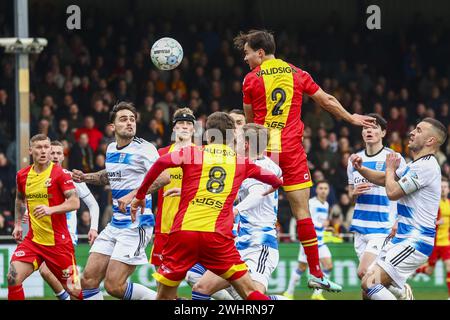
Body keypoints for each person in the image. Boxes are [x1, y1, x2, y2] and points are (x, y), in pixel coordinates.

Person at [234, 29, 374, 291]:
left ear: (260, 53)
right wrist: (351, 118)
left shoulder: (251, 79)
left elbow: (251, 122)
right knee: (302, 214)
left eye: (248, 53)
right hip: (292, 152)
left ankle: (234, 265)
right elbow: (326, 100)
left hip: (264, 153)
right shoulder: (297, 73)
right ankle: (317, 273)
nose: (246, 59)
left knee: (247, 206)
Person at [130, 112, 283, 300]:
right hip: (218, 238)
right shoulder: (240, 162)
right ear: (232, 136)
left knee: (165, 296)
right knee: (249, 293)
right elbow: (275, 180)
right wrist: (274, 185)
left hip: (184, 233)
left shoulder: (193, 153)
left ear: (207, 135)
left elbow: (161, 162)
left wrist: (139, 196)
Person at [72, 102, 169, 300]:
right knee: (88, 280)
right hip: (115, 223)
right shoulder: (110, 148)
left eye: (132, 119)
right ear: (112, 127)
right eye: (123, 119)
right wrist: (85, 177)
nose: (129, 123)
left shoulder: (145, 148)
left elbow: (164, 177)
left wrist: (134, 194)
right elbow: (109, 175)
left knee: (113, 286)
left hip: (137, 224)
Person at [186, 123, 287, 300]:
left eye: (238, 139)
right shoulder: (257, 165)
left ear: (247, 144)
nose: (234, 143)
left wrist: (235, 210)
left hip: (259, 244)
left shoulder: (257, 167)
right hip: (239, 244)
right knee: (201, 287)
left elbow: (257, 193)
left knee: (253, 299)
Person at [351, 118, 446, 300]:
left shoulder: (426, 167)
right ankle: (401, 293)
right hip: (401, 239)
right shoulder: (416, 165)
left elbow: (392, 191)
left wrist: (389, 168)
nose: (412, 132)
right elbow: (384, 179)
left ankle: (402, 295)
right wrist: (361, 169)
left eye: (418, 130)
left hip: (414, 241)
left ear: (430, 141)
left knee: (369, 282)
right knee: (368, 292)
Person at [7, 134, 81, 300]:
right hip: (33, 241)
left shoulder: (60, 174)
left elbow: (75, 202)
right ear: (31, 150)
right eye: (39, 147)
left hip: (59, 244)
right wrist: (18, 224)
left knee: (75, 291)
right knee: (13, 277)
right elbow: (20, 199)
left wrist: (51, 209)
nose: (43, 151)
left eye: (46, 147)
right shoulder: (22, 175)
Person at [347, 114, 406, 299]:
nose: (368, 131)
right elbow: (351, 196)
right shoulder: (354, 160)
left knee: (363, 272)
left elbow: (405, 192)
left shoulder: (394, 158)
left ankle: (401, 291)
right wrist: (353, 194)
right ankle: (399, 291)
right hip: (360, 226)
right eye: (365, 128)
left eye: (373, 127)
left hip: (382, 227)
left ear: (383, 132)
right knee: (368, 285)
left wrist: (399, 220)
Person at [33, 140, 100, 300]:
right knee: (44, 271)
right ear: (47, 154)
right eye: (53, 152)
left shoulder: (71, 177)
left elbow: (93, 205)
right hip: (45, 236)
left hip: (66, 237)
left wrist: (94, 228)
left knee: (69, 282)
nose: (55, 156)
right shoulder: (36, 177)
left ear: (63, 157)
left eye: (58, 153)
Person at [151, 107, 196, 267]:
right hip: (165, 225)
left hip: (192, 224)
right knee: (161, 277)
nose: (184, 126)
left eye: (188, 123)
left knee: (197, 279)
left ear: (193, 128)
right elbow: (150, 183)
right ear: (174, 128)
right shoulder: (161, 153)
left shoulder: (201, 154)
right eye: (181, 123)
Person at [284, 180, 334, 300]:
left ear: (328, 191)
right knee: (301, 267)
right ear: (316, 190)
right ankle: (289, 293)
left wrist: (326, 228)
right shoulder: (311, 203)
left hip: (321, 242)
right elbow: (306, 219)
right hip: (309, 241)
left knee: (328, 266)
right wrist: (322, 225)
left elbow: (320, 224)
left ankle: (317, 294)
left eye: (325, 188)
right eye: (321, 188)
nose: (323, 190)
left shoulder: (326, 204)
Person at [414, 176, 450, 300]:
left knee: (449, 267)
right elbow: (426, 220)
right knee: (429, 271)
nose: (444, 189)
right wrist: (437, 222)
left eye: (445, 187)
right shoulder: (434, 204)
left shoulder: (449, 203)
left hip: (446, 242)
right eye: (442, 187)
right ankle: (415, 271)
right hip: (435, 243)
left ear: (448, 189)